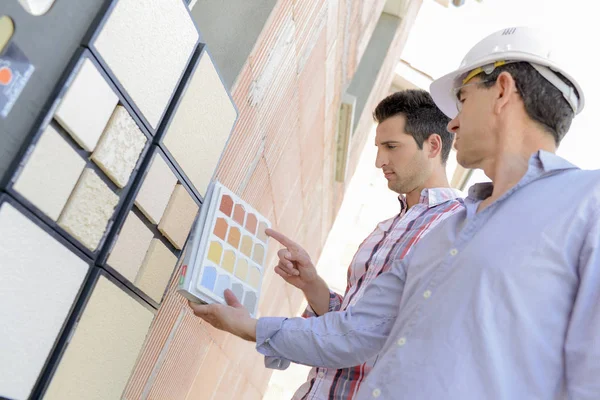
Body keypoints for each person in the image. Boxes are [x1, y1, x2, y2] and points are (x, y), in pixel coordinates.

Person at [190, 27, 600, 400]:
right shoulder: (450, 233)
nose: (453, 123)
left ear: (502, 90)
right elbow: (356, 330)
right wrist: (250, 326)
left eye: (461, 100)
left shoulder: (588, 204)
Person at [262, 89, 462, 400]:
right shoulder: (384, 229)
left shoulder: (456, 228)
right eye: (379, 147)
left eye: (391, 146)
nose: (380, 160)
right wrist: (311, 283)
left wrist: (252, 327)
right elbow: (354, 321)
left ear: (433, 145)